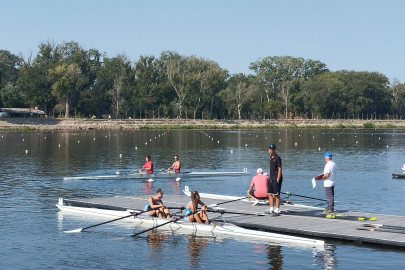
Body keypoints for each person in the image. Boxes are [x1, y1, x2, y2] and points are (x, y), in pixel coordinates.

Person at [265, 144, 283, 216]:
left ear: (274, 150)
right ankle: (271, 209)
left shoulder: (277, 158)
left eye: (272, 149)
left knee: (276, 194)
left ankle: (277, 210)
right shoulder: (270, 157)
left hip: (276, 178)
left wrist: (278, 178)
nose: (271, 151)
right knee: (269, 193)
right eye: (270, 149)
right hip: (271, 178)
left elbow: (279, 168)